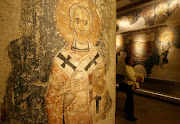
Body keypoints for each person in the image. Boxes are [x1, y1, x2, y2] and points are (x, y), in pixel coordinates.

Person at [44, 3, 111, 124]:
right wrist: (71, 93)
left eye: (86, 23)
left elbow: (101, 102)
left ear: (91, 26)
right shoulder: (61, 60)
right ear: (71, 24)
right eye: (77, 21)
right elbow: (51, 102)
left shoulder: (97, 59)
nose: (82, 28)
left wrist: (97, 93)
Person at [123, 56, 144, 121]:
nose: (133, 61)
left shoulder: (130, 67)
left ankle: (126, 110)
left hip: (130, 85)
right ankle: (130, 116)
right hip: (129, 86)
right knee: (130, 101)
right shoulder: (127, 67)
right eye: (132, 60)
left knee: (128, 99)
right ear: (128, 62)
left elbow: (133, 74)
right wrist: (136, 79)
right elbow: (131, 77)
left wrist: (137, 76)